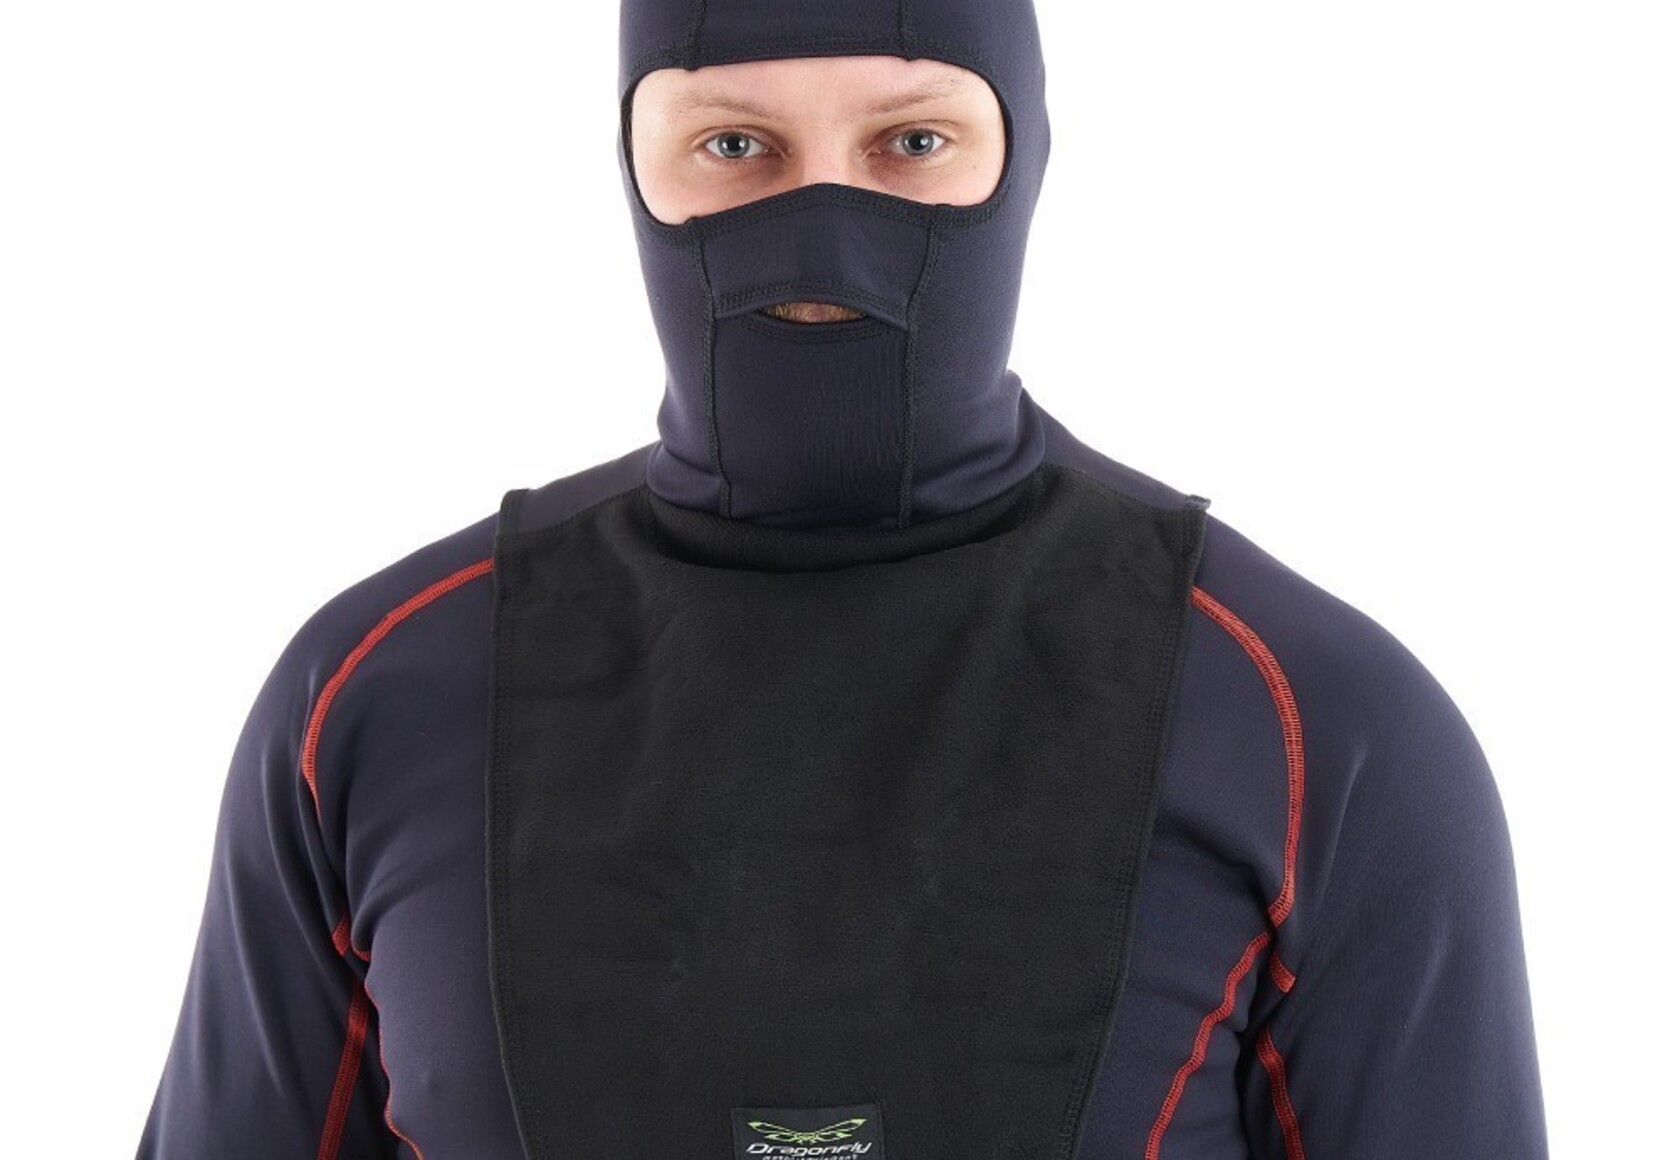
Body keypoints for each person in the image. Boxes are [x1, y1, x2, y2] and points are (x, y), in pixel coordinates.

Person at [136, 0, 1550, 1156]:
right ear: (632, 162)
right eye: (735, 143)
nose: (819, 231)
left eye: (912, 140)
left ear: (1023, 152)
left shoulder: (1309, 723)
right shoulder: (376, 700)